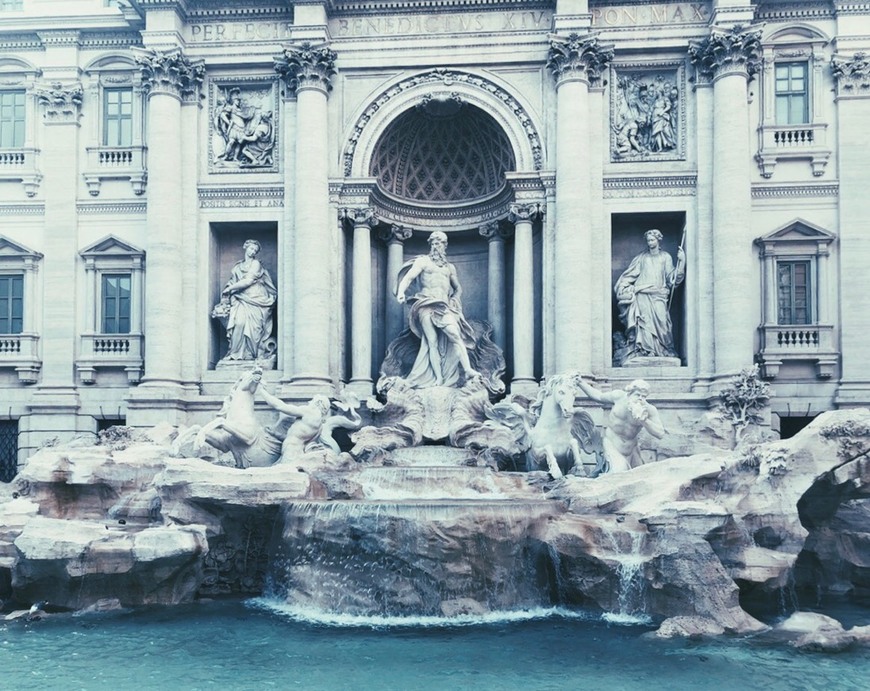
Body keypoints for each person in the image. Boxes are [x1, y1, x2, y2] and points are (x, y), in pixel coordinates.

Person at [395, 231, 480, 388]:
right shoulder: (423, 261)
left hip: (443, 306)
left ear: (444, 246)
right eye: (433, 243)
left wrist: (455, 299)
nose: (435, 246)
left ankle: (468, 369)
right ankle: (439, 378)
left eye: (439, 243)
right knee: (431, 341)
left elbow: (458, 288)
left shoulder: (449, 268)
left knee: (455, 335)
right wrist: (401, 292)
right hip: (425, 303)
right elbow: (409, 278)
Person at [614, 229, 685, 364]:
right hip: (642, 295)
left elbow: (672, 279)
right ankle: (645, 351)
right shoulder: (641, 258)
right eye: (648, 240)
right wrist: (624, 287)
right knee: (643, 324)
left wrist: (681, 262)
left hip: (659, 295)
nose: (650, 242)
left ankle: (663, 350)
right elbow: (629, 275)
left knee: (662, 323)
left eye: (652, 240)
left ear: (658, 240)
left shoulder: (666, 257)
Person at [573, 376, 665, 473]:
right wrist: (581, 383)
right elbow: (598, 396)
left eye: (644, 397)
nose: (640, 399)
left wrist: (644, 421)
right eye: (637, 395)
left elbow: (660, 433)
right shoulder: (618, 396)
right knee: (618, 472)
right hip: (611, 445)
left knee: (640, 476)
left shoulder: (649, 410)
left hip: (631, 450)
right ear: (630, 393)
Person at [216, 239, 277, 362]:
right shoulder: (238, 266)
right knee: (238, 323)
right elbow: (233, 281)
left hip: (256, 298)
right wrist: (229, 289)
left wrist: (230, 289)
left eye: (255, 250)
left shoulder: (256, 264)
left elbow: (248, 281)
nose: (252, 251)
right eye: (251, 248)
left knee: (255, 329)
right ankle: (235, 354)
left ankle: (251, 355)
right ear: (245, 247)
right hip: (241, 299)